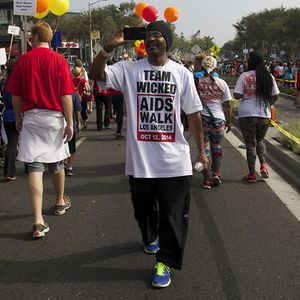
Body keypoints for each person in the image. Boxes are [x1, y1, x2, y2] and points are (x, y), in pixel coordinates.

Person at [89, 20, 208, 288]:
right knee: (143, 211)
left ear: (167, 41)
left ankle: (164, 262)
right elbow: (96, 74)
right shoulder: (130, 70)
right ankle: (149, 235)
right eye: (149, 35)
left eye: (158, 36)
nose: (153, 39)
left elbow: (194, 114)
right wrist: (107, 47)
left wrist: (202, 151)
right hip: (141, 163)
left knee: (173, 215)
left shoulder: (182, 74)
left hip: (174, 161)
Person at [6, 21, 74, 238]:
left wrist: (18, 117)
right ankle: (60, 202)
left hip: (32, 117)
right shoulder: (60, 60)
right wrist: (70, 122)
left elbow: (16, 95)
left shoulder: (23, 61)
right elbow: (66, 96)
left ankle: (37, 221)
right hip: (54, 118)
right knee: (57, 163)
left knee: (35, 167)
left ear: (34, 37)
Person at [233, 52, 280, 183]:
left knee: (250, 144)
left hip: (247, 113)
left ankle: (252, 174)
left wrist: (246, 93)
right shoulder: (268, 76)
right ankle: (264, 166)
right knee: (260, 141)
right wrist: (269, 104)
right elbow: (276, 95)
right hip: (264, 114)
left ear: (251, 63)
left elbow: (237, 94)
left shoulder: (244, 75)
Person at [195, 56, 232, 189]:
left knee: (204, 149)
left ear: (201, 67)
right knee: (216, 146)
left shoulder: (197, 82)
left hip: (202, 119)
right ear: (215, 68)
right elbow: (228, 105)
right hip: (219, 119)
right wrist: (229, 122)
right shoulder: (222, 83)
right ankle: (216, 173)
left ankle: (207, 180)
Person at [2, 58, 19, 181]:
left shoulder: (4, 82)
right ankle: (30, 167)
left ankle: (9, 171)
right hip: (19, 113)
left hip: (7, 114)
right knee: (26, 142)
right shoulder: (19, 81)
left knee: (12, 143)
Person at [65, 92, 82, 176]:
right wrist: (79, 123)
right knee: (71, 147)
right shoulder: (74, 94)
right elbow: (78, 111)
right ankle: (69, 167)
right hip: (71, 124)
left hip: (57, 124)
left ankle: (60, 165)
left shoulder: (54, 91)